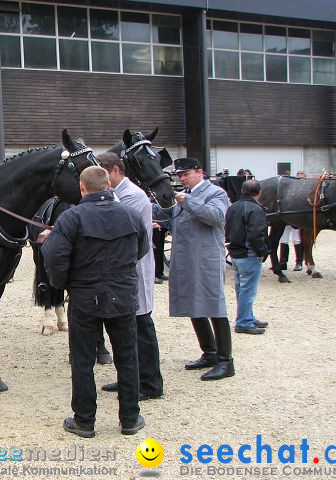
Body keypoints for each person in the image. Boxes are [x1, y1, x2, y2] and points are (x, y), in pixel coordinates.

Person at [40, 166, 148, 438]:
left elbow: (55, 257)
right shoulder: (131, 215)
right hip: (122, 295)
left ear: (82, 188)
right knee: (128, 357)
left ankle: (85, 421)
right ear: (109, 186)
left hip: (85, 296)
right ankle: (130, 419)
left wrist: (63, 283)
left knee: (82, 359)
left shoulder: (71, 217)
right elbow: (142, 248)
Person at [154, 157, 234, 381]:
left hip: (206, 259)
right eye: (179, 175)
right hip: (186, 258)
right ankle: (209, 352)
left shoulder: (215, 193)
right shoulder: (186, 196)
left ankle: (226, 360)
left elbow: (215, 217)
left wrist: (185, 200)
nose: (182, 178)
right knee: (193, 305)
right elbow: (177, 219)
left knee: (214, 306)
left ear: (200, 172)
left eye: (185, 174)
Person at [97, 152, 163, 401]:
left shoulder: (132, 196)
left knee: (142, 325)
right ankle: (131, 377)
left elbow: (118, 228)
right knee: (127, 329)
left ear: (115, 170)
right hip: (120, 271)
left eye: (103, 173)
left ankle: (151, 382)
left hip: (134, 268)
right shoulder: (116, 193)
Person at [225, 180, 269, 335]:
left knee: (241, 289)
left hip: (235, 253)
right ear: (259, 192)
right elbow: (257, 233)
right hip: (249, 254)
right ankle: (244, 322)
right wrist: (262, 251)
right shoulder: (256, 209)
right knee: (248, 291)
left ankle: (247, 316)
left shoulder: (232, 207)